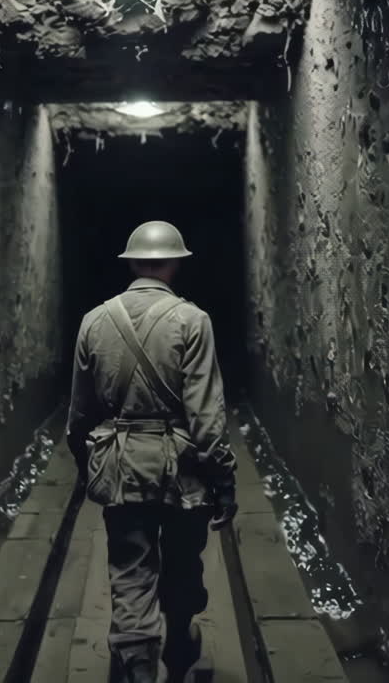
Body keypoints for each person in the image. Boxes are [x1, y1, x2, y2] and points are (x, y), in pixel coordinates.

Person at [66, 221, 238, 683]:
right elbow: (206, 417)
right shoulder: (193, 321)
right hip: (184, 470)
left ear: (131, 262)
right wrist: (223, 482)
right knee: (184, 565)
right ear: (176, 263)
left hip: (121, 467)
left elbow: (78, 417)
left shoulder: (94, 321)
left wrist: (88, 470)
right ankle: (179, 638)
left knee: (130, 572)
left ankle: (138, 666)